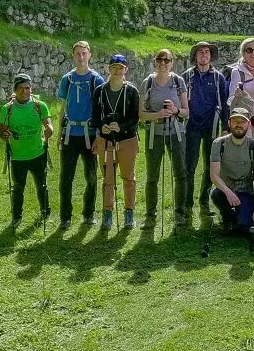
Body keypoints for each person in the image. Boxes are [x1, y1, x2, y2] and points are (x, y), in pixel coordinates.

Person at [55, 41, 105, 230]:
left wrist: (99, 136)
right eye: (78, 54)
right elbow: (62, 108)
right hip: (70, 134)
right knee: (66, 177)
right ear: (73, 56)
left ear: (89, 55)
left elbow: (100, 110)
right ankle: (65, 217)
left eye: (84, 53)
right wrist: (59, 133)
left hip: (90, 134)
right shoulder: (67, 79)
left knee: (91, 176)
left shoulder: (96, 80)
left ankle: (89, 213)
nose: (81, 57)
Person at [0, 72, 54, 227]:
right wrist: (5, 134)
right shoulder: (7, 109)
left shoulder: (39, 106)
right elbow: (2, 134)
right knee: (18, 188)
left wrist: (49, 129)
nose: (25, 91)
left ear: (31, 88)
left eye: (28, 88)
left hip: (38, 153)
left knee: (41, 184)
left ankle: (45, 212)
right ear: (15, 90)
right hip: (17, 156)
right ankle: (17, 217)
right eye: (21, 88)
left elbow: (48, 125)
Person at [142, 49, 190, 229]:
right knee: (152, 176)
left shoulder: (178, 82)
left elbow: (186, 112)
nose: (162, 63)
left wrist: (175, 111)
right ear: (155, 62)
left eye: (166, 60)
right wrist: (158, 114)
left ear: (172, 63)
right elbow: (141, 114)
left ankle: (179, 213)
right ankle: (150, 215)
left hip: (176, 133)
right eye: (159, 59)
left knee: (180, 174)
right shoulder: (148, 82)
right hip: (155, 133)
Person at [92, 54, 140, 231]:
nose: (117, 71)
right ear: (108, 69)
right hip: (106, 141)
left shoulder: (132, 91)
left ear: (126, 69)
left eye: (121, 68)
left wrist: (122, 127)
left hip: (127, 140)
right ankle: (107, 212)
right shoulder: (100, 91)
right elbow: (95, 117)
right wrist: (102, 127)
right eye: (114, 67)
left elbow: (135, 118)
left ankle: (129, 212)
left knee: (128, 177)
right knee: (108, 178)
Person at [183, 41, 229, 217]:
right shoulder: (186, 77)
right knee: (190, 166)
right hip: (191, 126)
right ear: (195, 56)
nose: (204, 54)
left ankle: (204, 203)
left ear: (210, 56)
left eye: (207, 52)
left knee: (211, 167)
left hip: (212, 128)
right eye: (200, 52)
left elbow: (225, 105)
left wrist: (225, 128)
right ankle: (187, 204)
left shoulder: (218, 78)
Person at [209, 107, 254, 234]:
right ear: (229, 123)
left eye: (242, 121)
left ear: (249, 125)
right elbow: (214, 175)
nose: (238, 125)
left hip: (245, 192)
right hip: (225, 192)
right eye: (235, 121)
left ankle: (238, 218)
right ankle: (227, 216)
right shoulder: (218, 144)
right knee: (216, 194)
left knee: (244, 228)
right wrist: (228, 192)